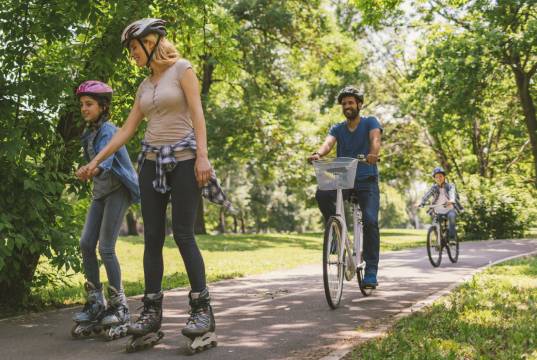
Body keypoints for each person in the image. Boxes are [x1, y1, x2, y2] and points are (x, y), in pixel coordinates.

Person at [76, 18, 227, 353]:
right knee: (153, 238)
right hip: (151, 162)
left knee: (184, 234)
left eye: (134, 47)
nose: (132, 54)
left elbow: (198, 112)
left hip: (185, 159)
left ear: (152, 41)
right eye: (130, 49)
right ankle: (151, 312)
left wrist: (203, 156)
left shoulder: (183, 69)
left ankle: (202, 311)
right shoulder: (144, 86)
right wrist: (95, 161)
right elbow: (127, 129)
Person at [72, 80, 140, 340]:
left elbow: (106, 163)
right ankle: (95, 302)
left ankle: (120, 305)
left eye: (89, 104)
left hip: (118, 190)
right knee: (86, 243)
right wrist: (89, 169)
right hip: (101, 192)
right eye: (82, 105)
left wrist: (90, 168)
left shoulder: (110, 130)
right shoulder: (89, 133)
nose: (84, 108)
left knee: (106, 247)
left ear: (103, 106)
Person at [308, 85, 382, 289]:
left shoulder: (370, 122)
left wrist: (373, 153)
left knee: (370, 221)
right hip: (345, 179)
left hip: (367, 180)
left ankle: (371, 272)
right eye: (344, 103)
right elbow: (328, 143)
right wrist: (319, 154)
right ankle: (337, 234)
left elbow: (375, 139)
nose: (347, 106)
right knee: (323, 193)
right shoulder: (337, 128)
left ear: (359, 104)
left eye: (351, 102)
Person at [418, 166, 462, 242]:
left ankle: (452, 239)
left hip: (449, 209)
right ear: (434, 179)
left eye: (440, 176)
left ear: (444, 177)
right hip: (438, 210)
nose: (439, 178)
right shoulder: (434, 188)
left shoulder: (450, 186)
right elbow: (427, 195)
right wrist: (421, 203)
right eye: (436, 177)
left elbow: (452, 194)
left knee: (451, 217)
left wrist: (451, 200)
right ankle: (439, 241)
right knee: (435, 224)